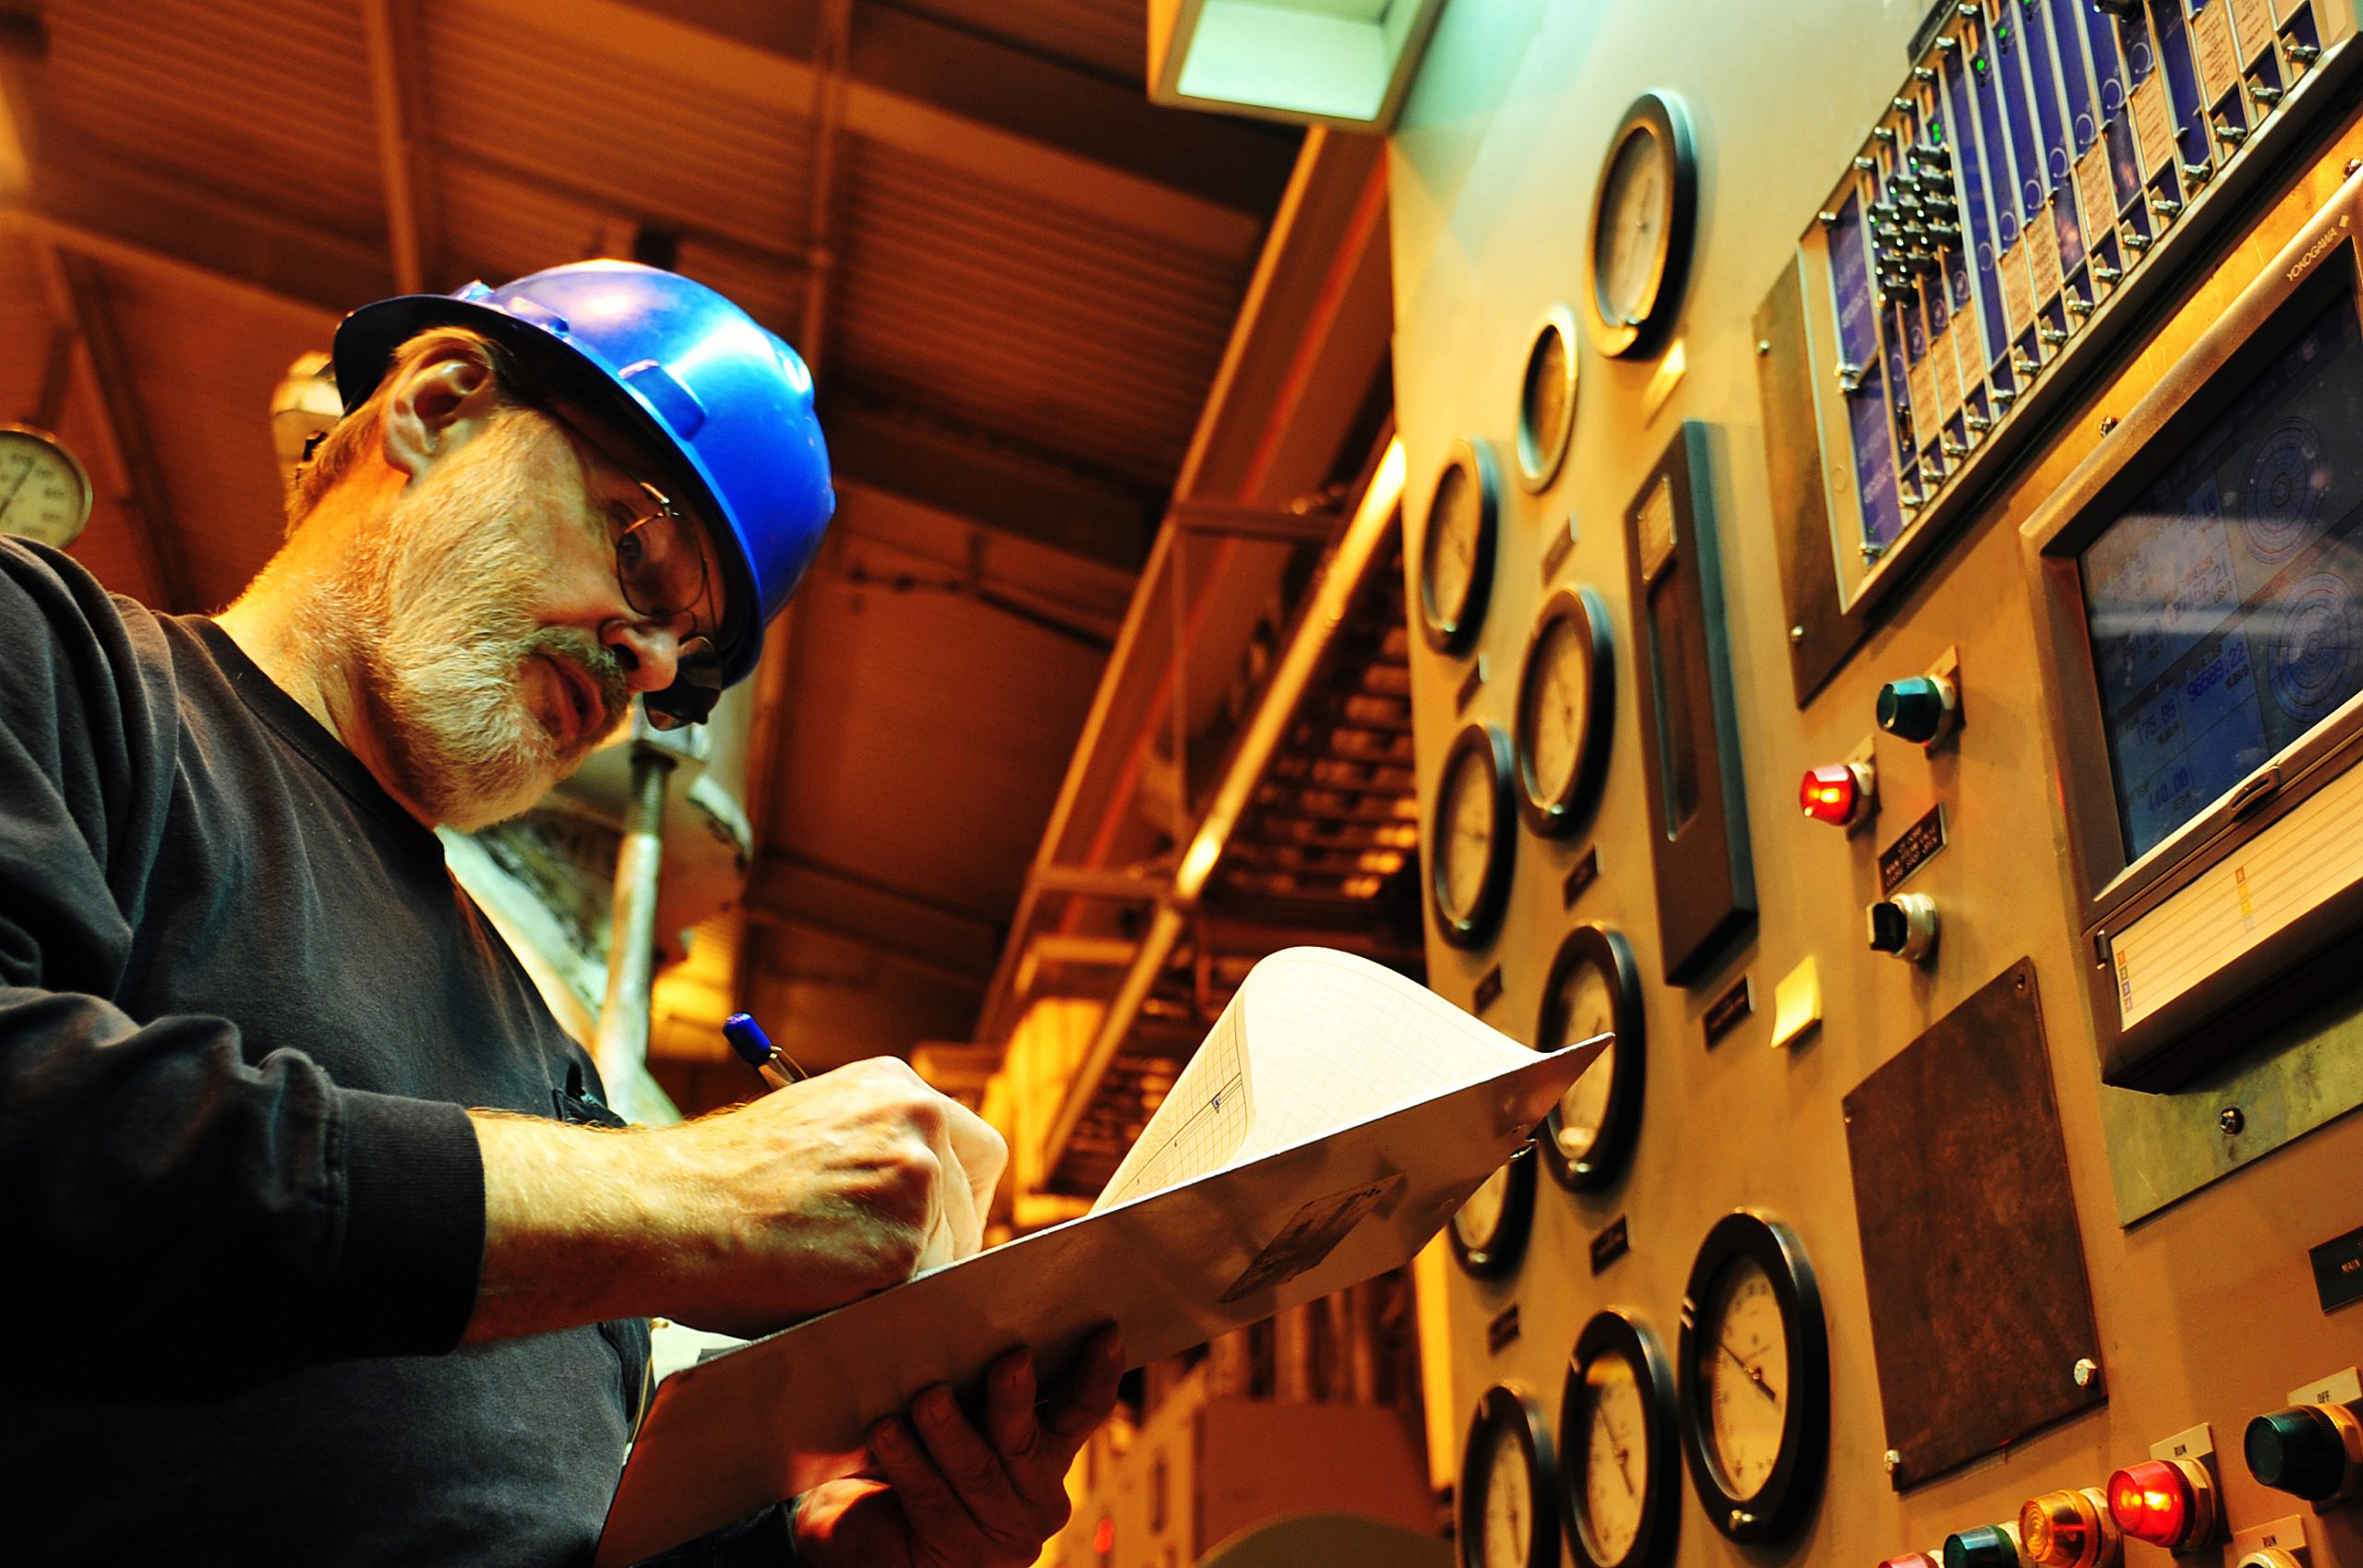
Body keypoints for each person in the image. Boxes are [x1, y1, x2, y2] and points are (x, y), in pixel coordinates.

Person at [0, 260, 1121, 1565]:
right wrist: (696, 1195)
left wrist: (837, 1551)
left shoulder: (534, 1046)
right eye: (642, 547)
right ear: (438, 404)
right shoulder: (64, 668)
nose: (648, 664)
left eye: (686, 668)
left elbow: (546, 1515)